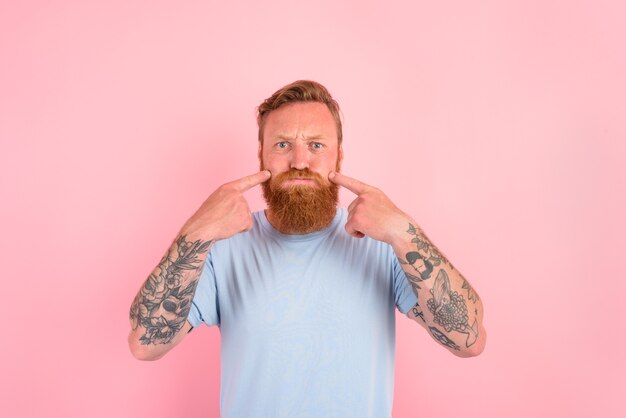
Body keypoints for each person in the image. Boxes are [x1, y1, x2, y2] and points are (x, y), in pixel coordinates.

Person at [128, 80, 486, 417]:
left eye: (316, 145)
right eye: (283, 145)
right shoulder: (221, 246)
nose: (300, 161)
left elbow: (468, 340)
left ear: (338, 158)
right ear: (262, 156)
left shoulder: (383, 244)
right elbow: (145, 344)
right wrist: (196, 232)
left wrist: (402, 231)